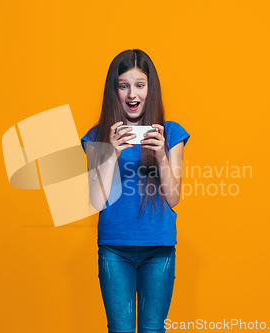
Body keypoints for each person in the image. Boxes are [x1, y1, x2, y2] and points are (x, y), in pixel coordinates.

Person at [80, 49, 190, 333]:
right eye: (123, 85)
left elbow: (174, 197)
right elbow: (95, 201)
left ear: (150, 89)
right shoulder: (97, 136)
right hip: (114, 249)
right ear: (114, 90)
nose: (132, 94)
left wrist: (161, 155)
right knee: (121, 330)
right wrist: (111, 154)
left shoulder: (171, 133)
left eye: (140, 85)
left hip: (159, 248)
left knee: (153, 330)